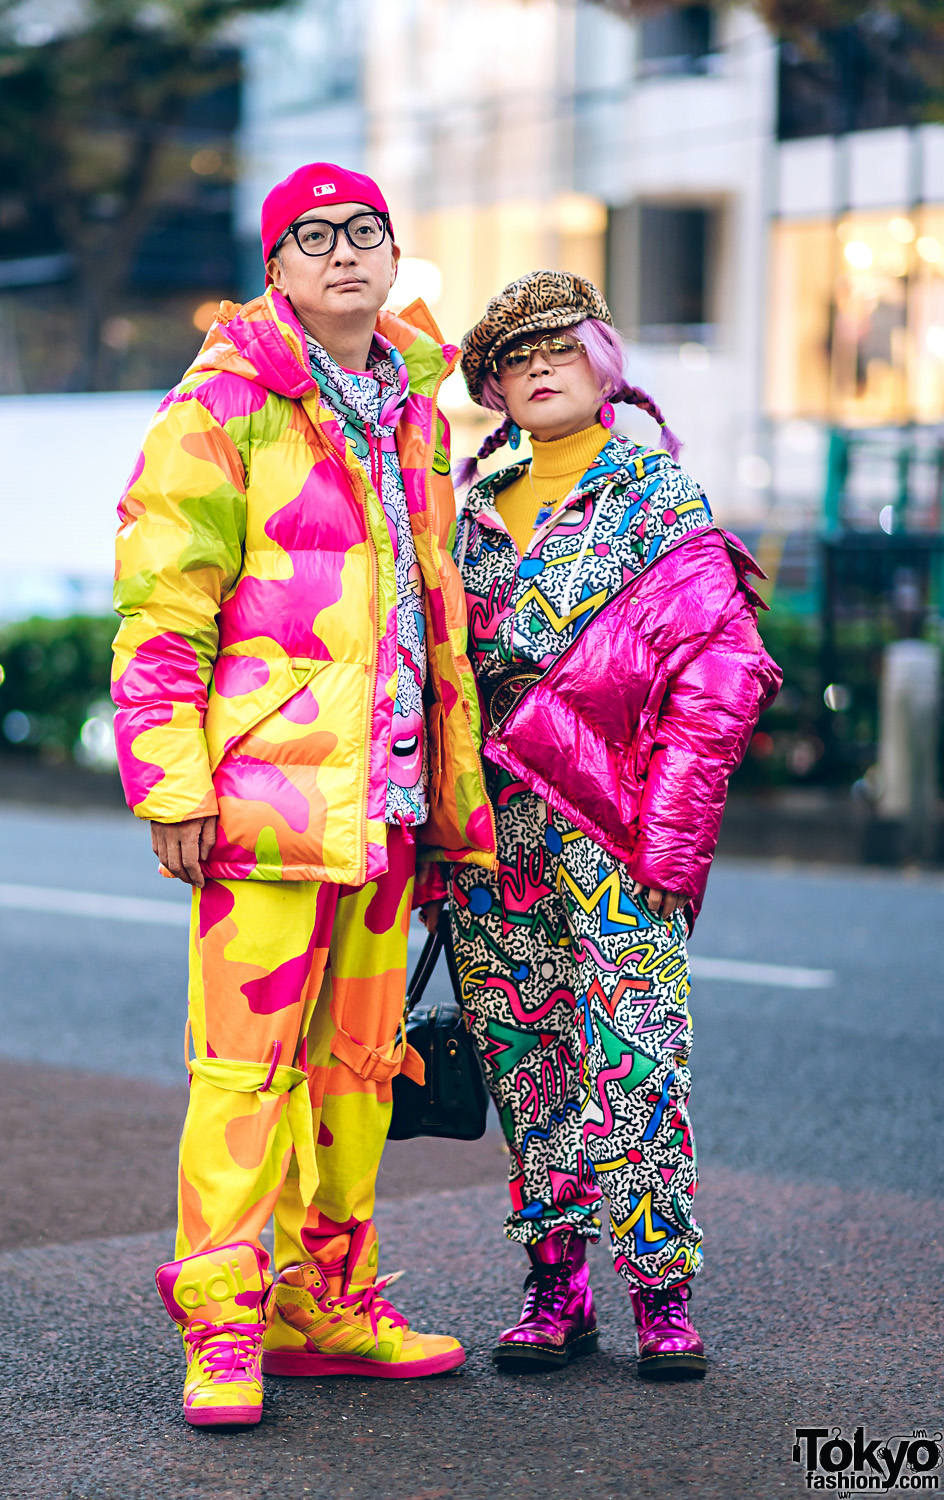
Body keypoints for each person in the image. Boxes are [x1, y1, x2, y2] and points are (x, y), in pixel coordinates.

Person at [111, 161, 495, 1426]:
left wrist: (448, 791)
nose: (343, 254)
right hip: (267, 801)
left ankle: (326, 1303)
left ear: (394, 257)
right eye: (312, 237)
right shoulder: (220, 404)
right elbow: (163, 605)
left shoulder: (416, 403)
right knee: (242, 1072)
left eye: (365, 233)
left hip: (384, 806)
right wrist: (171, 782)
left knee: (358, 1070)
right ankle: (222, 1325)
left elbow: (429, 608)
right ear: (274, 268)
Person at [423, 270, 780, 1381]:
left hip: (613, 820)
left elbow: (717, 679)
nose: (535, 367)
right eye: (511, 358)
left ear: (602, 362)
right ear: (488, 386)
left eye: (557, 349)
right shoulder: (468, 506)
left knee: (635, 1060)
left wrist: (671, 842)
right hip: (491, 829)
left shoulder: (656, 497)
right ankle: (553, 1289)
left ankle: (660, 1297)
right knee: (525, 1060)